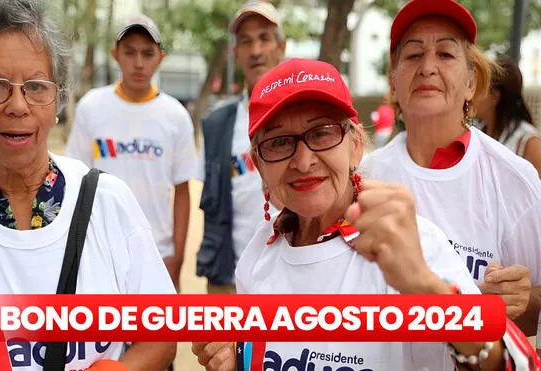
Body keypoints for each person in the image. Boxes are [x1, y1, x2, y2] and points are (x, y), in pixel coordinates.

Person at [192, 57, 540, 371]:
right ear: (259, 166)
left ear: (355, 145)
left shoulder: (409, 245)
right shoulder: (257, 256)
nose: (303, 160)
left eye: (322, 132)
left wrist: (422, 284)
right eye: (278, 142)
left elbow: (508, 363)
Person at [0, 1, 176, 370]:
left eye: (35, 86)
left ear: (57, 98)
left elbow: (160, 334)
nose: (18, 105)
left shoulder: (109, 204)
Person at [359, 0, 541, 341]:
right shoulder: (364, 178)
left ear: (471, 82)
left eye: (445, 54)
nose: (428, 67)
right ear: (393, 81)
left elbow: (534, 313)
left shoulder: (515, 179)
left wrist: (523, 300)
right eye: (413, 55)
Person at [65, 14, 197, 291]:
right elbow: (75, 182)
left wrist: (178, 257)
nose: (138, 63)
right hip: (101, 247)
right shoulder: (92, 107)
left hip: (158, 252)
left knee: (157, 334)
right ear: (116, 55)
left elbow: (182, 190)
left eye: (147, 53)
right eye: (130, 52)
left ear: (160, 57)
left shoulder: (176, 116)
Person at [196, 0, 286, 294]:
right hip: (229, 279)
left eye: (264, 38)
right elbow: (209, 208)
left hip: (290, 275)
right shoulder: (217, 125)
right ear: (235, 53)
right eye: (246, 42)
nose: (256, 50)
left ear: (281, 47)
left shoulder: (303, 118)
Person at [474, 57, 541, 176]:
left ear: (494, 96)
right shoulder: (476, 132)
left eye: (478, 89)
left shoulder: (528, 142)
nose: (471, 95)